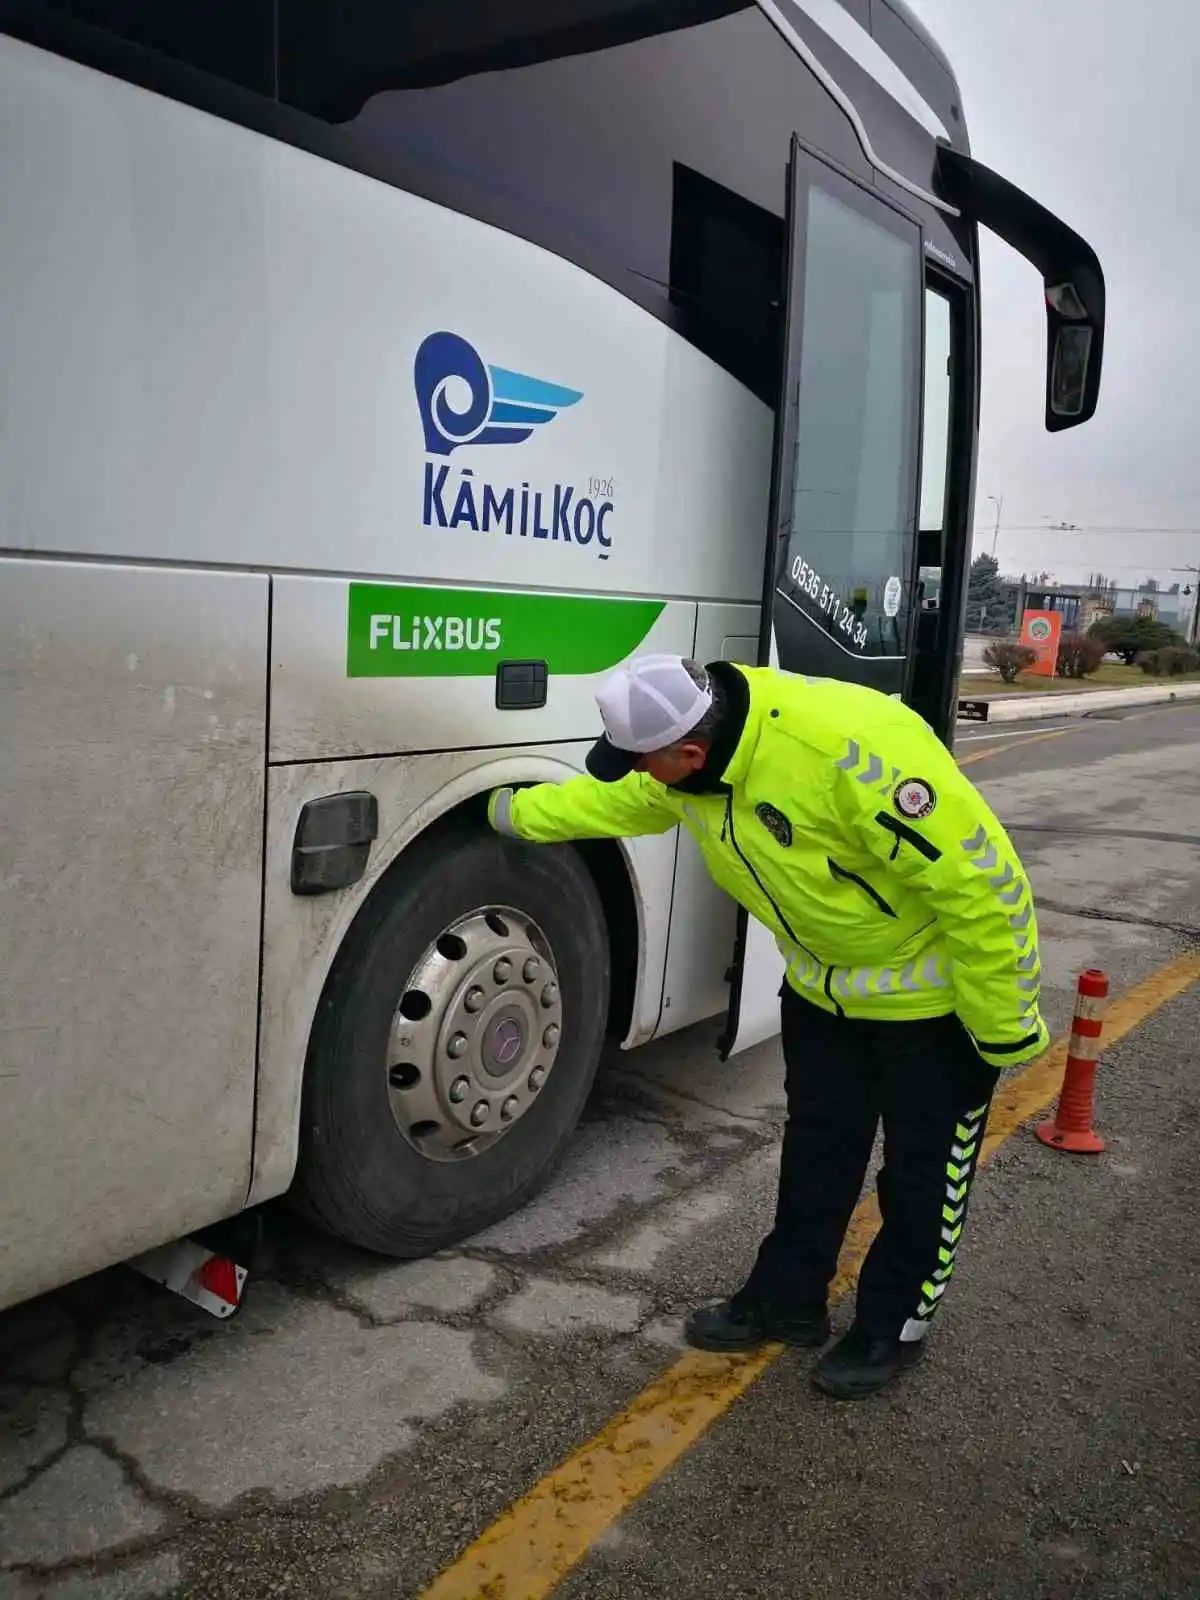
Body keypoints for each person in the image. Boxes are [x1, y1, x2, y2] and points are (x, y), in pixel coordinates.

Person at [488, 654, 1047, 1399]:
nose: (640, 775)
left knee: (921, 1179)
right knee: (818, 1153)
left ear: (690, 751)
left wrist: (1002, 1030)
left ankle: (893, 1325)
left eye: (646, 762)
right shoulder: (697, 770)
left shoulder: (849, 756)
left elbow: (983, 887)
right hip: (824, 996)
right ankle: (788, 1297)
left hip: (934, 1010)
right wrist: (512, 814)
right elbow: (618, 805)